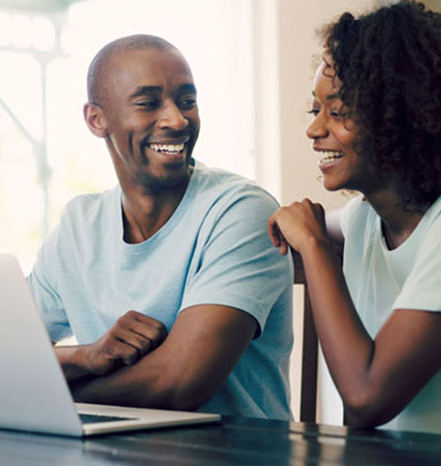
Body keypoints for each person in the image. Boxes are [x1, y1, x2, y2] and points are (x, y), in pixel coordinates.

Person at [268, 0, 441, 438]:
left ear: (406, 116)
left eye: (337, 112)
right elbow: (308, 224)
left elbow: (367, 396)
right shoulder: (365, 217)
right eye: (314, 110)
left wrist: (315, 246)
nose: (314, 130)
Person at [27, 34, 293, 419]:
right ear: (96, 119)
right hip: (114, 464)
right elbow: (6, 354)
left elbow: (180, 382)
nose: (177, 119)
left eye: (187, 101)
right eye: (149, 103)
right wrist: (86, 356)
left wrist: (61, 393)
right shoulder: (77, 228)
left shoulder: (241, 211)